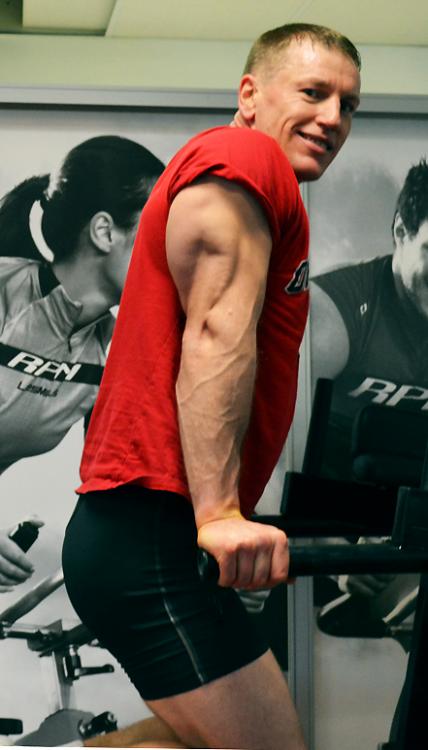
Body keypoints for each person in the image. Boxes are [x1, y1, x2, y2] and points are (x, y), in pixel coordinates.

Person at [62, 23, 361, 750]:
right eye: (313, 93)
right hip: (150, 528)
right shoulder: (244, 158)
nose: (332, 118)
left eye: (348, 104)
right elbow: (215, 334)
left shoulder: (262, 184)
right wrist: (220, 513)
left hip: (144, 531)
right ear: (250, 94)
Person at [0, 135, 164, 592]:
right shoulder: (4, 291)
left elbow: (128, 484)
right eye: (162, 228)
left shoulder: (111, 349)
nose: (176, 251)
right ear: (105, 232)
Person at [311, 158, 428, 598]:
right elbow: (267, 454)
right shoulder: (333, 314)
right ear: (401, 232)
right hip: (321, 527)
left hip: (408, 529)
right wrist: (332, 553)